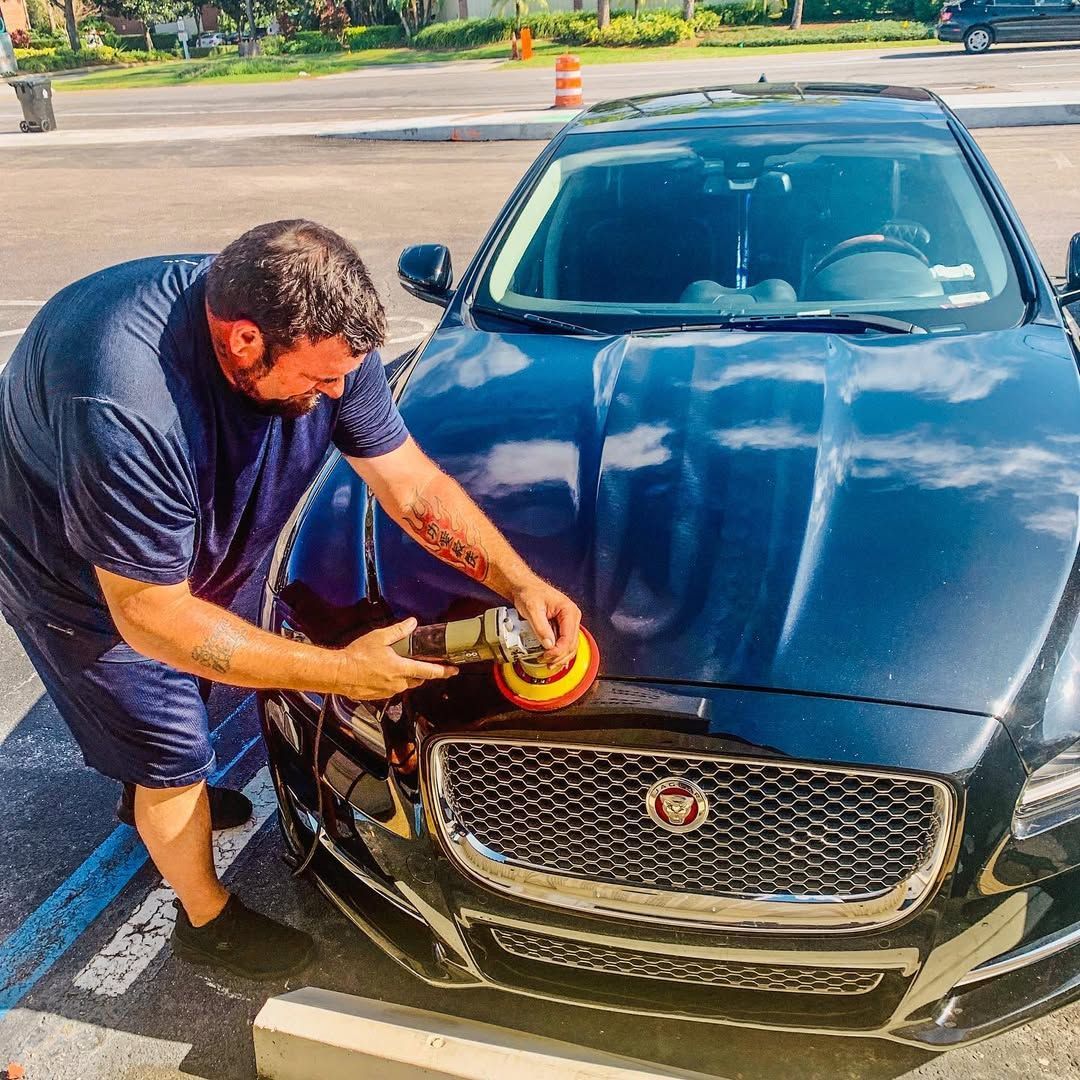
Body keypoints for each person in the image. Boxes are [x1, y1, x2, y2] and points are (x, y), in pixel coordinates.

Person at [0, 221, 581, 980]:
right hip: (80, 577)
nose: (336, 395)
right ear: (244, 341)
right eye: (317, 382)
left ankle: (140, 792)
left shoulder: (326, 339)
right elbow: (152, 614)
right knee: (171, 746)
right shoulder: (126, 402)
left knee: (209, 680)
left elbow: (411, 485)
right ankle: (206, 918)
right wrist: (338, 672)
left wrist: (518, 581)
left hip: (190, 536)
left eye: (346, 376)